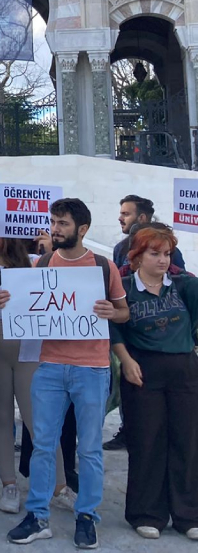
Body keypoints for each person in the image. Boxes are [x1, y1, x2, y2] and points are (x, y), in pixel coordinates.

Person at [7, 198, 129, 549]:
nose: (55, 229)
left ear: (82, 229)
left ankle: (87, 516)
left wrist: (110, 311)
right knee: (43, 445)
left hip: (92, 369)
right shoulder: (43, 263)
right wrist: (8, 301)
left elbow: (123, 313)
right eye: (54, 222)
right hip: (49, 367)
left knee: (90, 448)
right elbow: (26, 304)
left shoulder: (104, 267)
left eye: (62, 223)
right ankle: (37, 516)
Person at [0, 235, 73, 515]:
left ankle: (59, 485)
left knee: (39, 419)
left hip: (29, 347)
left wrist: (52, 253)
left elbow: (64, 289)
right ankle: (8, 485)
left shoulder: (35, 262)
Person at [111, 226, 198, 540]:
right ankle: (146, 513)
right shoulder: (123, 287)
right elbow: (114, 329)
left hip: (184, 369)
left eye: (166, 254)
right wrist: (127, 360)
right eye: (155, 253)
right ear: (137, 256)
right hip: (142, 368)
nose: (163, 260)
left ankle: (188, 515)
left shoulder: (186, 286)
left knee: (186, 441)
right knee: (147, 441)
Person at [113, 195, 185, 270]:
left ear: (142, 218)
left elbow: (182, 279)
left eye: (126, 214)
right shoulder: (120, 248)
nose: (120, 218)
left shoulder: (170, 250)